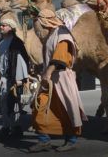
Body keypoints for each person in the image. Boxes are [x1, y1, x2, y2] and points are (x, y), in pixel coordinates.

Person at [29, 9, 87, 153]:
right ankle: (44, 141)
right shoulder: (52, 34)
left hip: (60, 79)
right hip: (50, 79)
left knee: (67, 110)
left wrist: (47, 73)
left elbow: (60, 58)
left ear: (45, 20)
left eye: (40, 20)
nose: (39, 23)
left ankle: (71, 141)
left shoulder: (63, 35)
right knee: (39, 106)